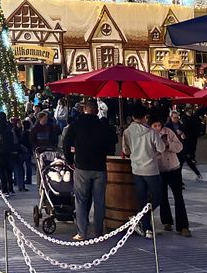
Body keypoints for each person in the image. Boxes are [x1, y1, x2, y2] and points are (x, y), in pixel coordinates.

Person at [64, 99, 117, 240]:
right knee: (99, 200)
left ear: (84, 109)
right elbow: (112, 143)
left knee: (81, 200)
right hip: (99, 167)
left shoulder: (77, 124)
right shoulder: (102, 125)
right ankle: (98, 232)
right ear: (96, 110)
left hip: (82, 166)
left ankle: (82, 232)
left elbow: (66, 142)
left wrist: (70, 160)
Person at [123, 104, 166, 239]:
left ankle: (147, 227)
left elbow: (126, 151)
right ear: (144, 117)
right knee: (158, 196)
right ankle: (143, 218)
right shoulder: (151, 132)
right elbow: (161, 148)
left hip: (136, 168)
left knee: (141, 198)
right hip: (151, 169)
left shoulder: (127, 132)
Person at [151, 115, 191, 237]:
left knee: (178, 196)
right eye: (155, 125)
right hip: (159, 169)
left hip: (173, 167)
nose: (157, 127)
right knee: (162, 196)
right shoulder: (150, 135)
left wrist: (168, 145)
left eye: (159, 125)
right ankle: (167, 221)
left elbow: (179, 146)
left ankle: (183, 226)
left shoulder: (168, 132)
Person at [167, 110, 202, 180]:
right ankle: (178, 180)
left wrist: (183, 134)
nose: (176, 119)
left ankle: (198, 174)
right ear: (171, 117)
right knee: (178, 163)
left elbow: (186, 133)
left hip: (182, 145)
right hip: (173, 147)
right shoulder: (168, 126)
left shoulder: (180, 124)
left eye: (177, 117)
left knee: (187, 160)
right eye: (174, 117)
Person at [0, 111, 15, 195]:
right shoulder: (9, 127)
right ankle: (11, 188)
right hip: (9, 152)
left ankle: (4, 189)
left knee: (1, 171)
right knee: (9, 171)